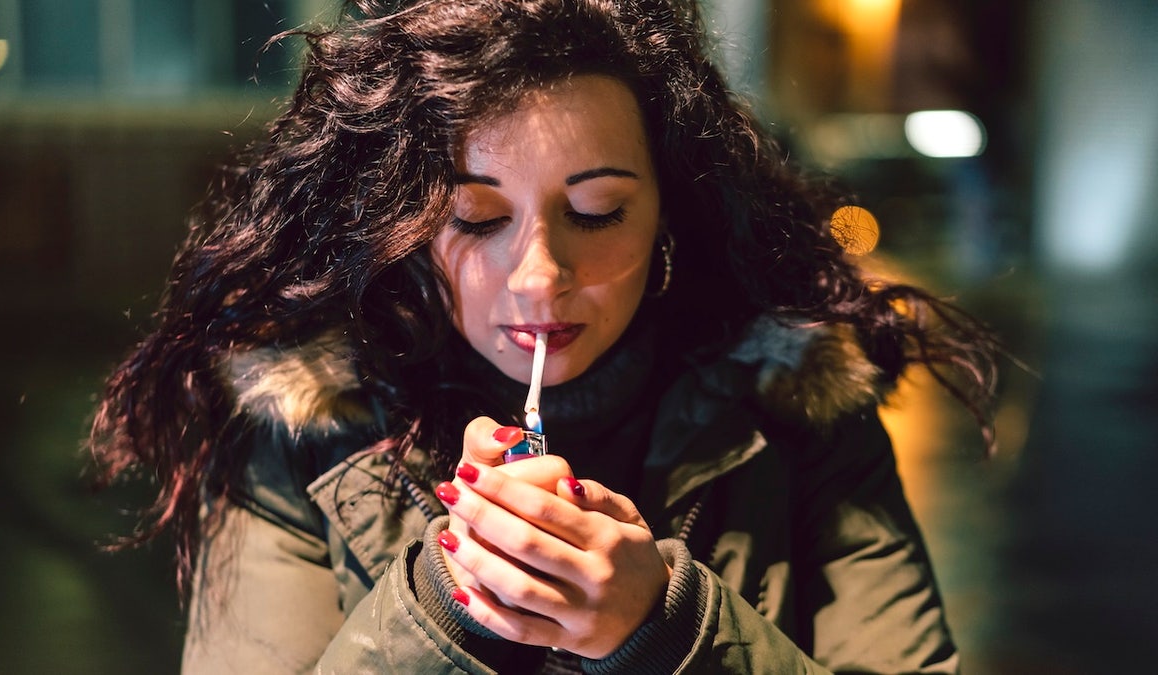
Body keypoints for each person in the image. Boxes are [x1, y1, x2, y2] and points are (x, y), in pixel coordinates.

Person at [88, 0, 999, 672]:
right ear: (404, 229)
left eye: (598, 212)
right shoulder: (301, 421)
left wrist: (665, 621)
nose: (539, 276)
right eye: (477, 219)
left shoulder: (802, 401)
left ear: (668, 219)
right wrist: (447, 603)